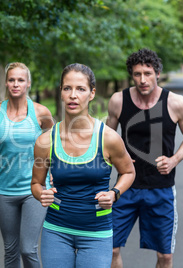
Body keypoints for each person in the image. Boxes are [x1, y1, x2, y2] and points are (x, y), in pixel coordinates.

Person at [31, 63, 135, 268]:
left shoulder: (108, 138)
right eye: (67, 88)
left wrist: (114, 193)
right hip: (57, 230)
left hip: (97, 232)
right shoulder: (45, 141)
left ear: (92, 93)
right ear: (60, 92)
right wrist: (41, 194)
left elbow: (129, 172)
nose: (73, 95)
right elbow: (36, 183)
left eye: (80, 89)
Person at [106, 48, 183, 268]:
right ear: (131, 75)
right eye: (137, 74)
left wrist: (174, 160)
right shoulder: (119, 100)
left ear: (157, 73)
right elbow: (106, 140)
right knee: (110, 247)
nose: (143, 79)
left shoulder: (176, 103)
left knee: (165, 256)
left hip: (161, 189)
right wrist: (119, 157)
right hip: (125, 187)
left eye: (147, 73)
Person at [0, 62, 54, 268]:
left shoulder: (41, 112)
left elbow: (54, 144)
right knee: (10, 250)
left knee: (28, 248)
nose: (15, 84)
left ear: (28, 84)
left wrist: (51, 174)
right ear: (6, 83)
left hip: (33, 189)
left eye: (20, 80)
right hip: (4, 190)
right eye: (11, 80)